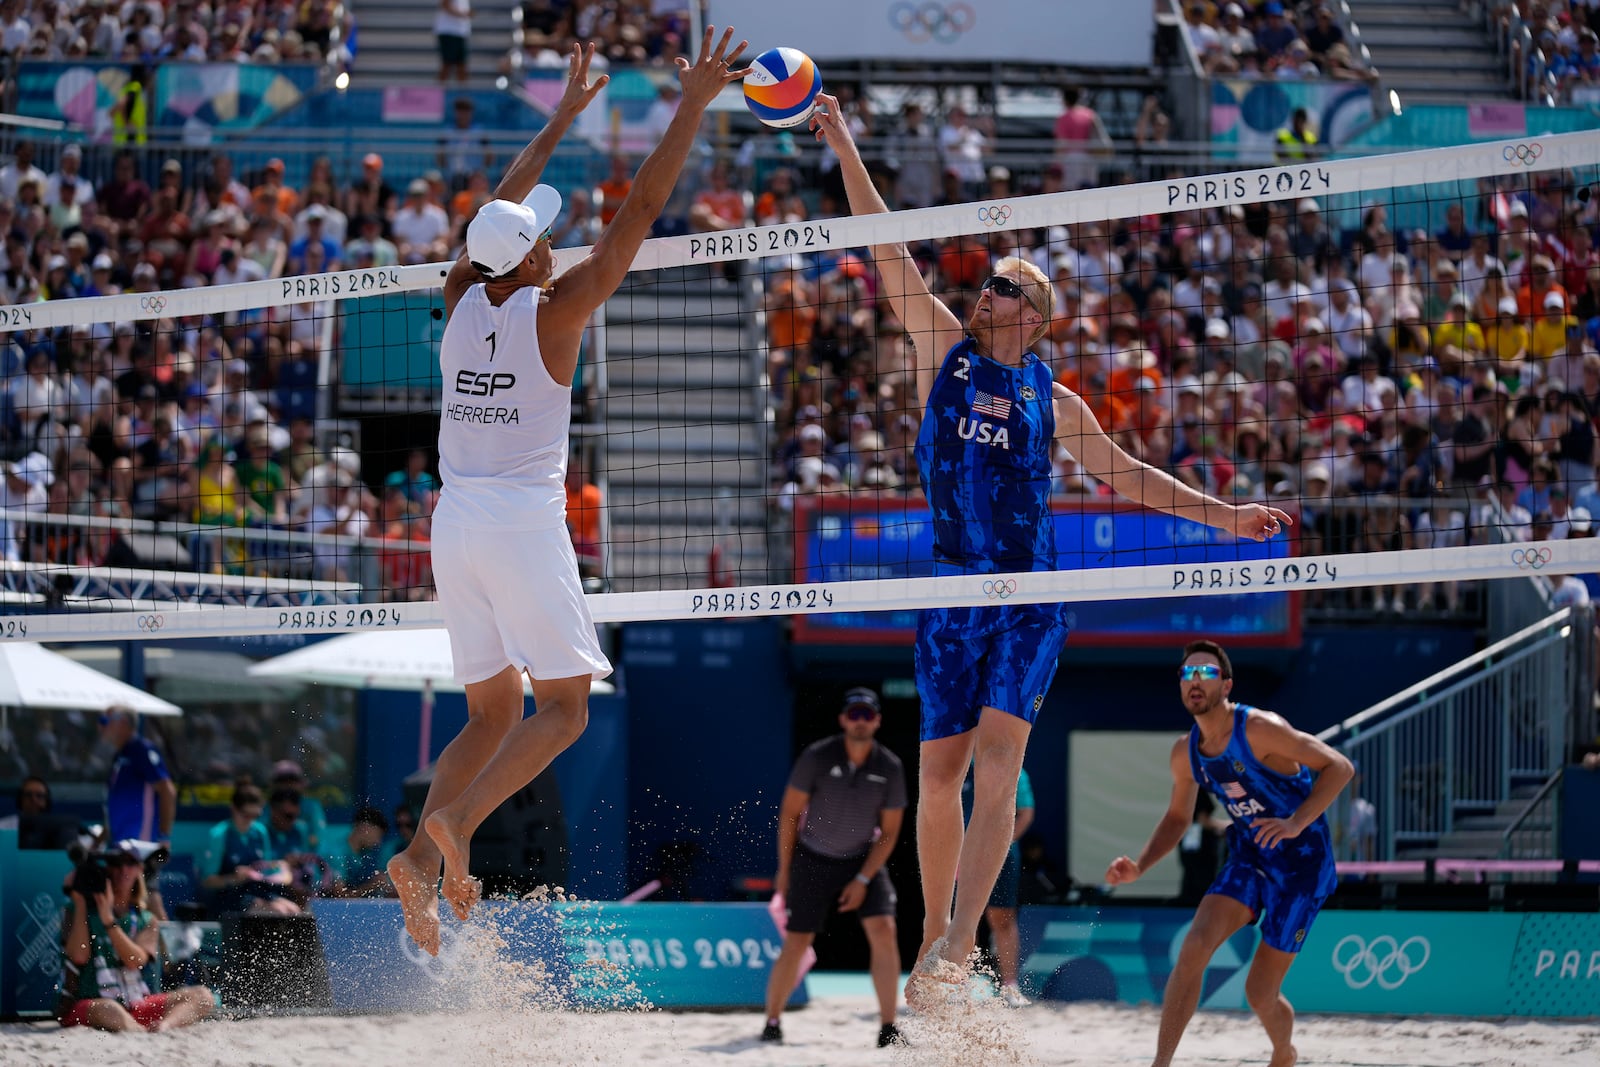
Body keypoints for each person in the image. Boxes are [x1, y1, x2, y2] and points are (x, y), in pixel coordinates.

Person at [809, 96, 1292, 1002]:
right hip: (953, 589)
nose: (984, 289)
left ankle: (959, 941)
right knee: (938, 771)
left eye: (1003, 286)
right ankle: (931, 935)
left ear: (1032, 315)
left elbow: (1131, 476)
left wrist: (1226, 516)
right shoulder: (944, 350)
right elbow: (886, 246)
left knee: (997, 764)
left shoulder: (1054, 398)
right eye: (987, 280)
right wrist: (841, 140)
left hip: (1028, 592)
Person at [389, 33, 750, 957]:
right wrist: (693, 105)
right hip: (517, 520)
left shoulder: (463, 288)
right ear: (538, 259)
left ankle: (418, 864)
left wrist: (559, 120)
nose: (554, 243)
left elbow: (496, 213)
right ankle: (458, 825)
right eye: (545, 237)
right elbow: (644, 206)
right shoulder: (561, 307)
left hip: (454, 521)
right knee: (566, 707)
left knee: (489, 712)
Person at [1105, 641, 1352, 1067]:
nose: (1195, 681)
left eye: (1206, 673)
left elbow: (1339, 767)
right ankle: (1160, 1065)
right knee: (1194, 947)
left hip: (1301, 870)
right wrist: (1139, 866)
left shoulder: (1258, 728)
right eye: (1188, 674)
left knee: (1259, 993)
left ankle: (1283, 1053)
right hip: (1250, 857)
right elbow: (1178, 818)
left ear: (1227, 685)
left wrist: (1296, 822)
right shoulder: (1186, 752)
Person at [761, 688, 905, 1048]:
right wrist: (785, 867)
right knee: (797, 941)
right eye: (854, 714)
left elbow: (889, 833)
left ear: (877, 721)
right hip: (813, 857)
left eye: (867, 715)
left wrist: (862, 878)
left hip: (862, 860)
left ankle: (889, 1027)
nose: (860, 721)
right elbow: (790, 814)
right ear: (843, 719)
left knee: (885, 930)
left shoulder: (889, 766)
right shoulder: (818, 756)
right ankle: (772, 1022)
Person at [58, 841, 214, 1033]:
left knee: (203, 995)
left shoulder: (146, 919)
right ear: (107, 869)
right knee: (109, 1008)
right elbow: (79, 956)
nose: (122, 869)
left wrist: (108, 920)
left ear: (140, 869)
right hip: (88, 1004)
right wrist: (80, 901)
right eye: (115, 863)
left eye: (130, 863)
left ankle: (162, 1028)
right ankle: (140, 1032)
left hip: (133, 1004)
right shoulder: (77, 909)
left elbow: (134, 961)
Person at [964, 765, 1033, 1007]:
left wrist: (997, 845)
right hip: (960, 853)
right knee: (962, 920)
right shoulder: (957, 761)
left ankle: (1010, 985)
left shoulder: (1013, 767)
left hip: (1003, 853)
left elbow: (1025, 813)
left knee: (1002, 917)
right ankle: (961, 983)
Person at [101, 707, 175, 847]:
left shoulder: (142, 750)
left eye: (104, 721)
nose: (100, 726)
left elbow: (167, 791)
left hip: (140, 844)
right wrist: (99, 841)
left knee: (147, 869)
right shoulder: (120, 755)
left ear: (122, 723)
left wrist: (164, 837)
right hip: (120, 843)